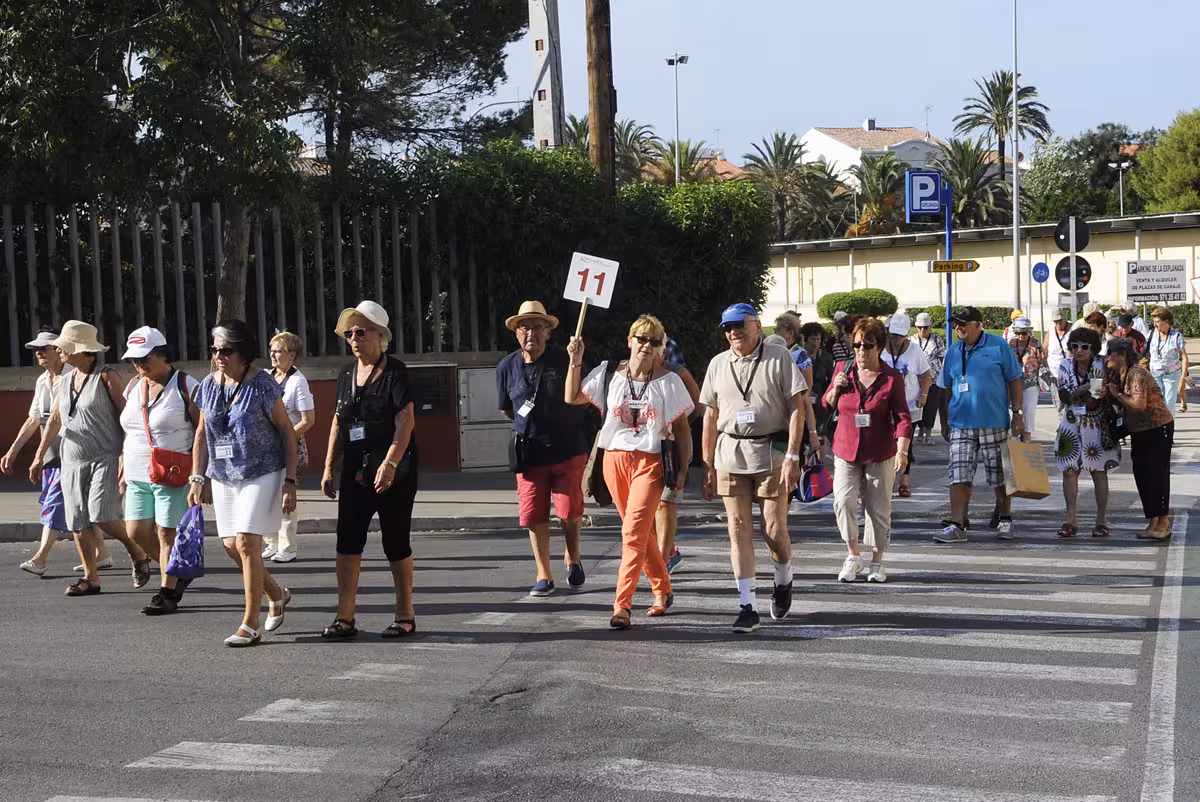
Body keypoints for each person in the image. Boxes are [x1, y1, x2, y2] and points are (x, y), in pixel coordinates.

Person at [700, 302, 820, 633]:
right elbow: (710, 416)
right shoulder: (717, 364)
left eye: (739, 324)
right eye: (726, 327)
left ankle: (783, 578)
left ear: (757, 325)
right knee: (737, 527)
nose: (733, 331)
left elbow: (797, 406)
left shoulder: (779, 357)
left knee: (772, 530)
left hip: (771, 450)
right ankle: (746, 605)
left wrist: (795, 455)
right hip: (730, 451)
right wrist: (707, 464)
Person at [566, 315, 693, 629]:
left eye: (654, 341)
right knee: (640, 533)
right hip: (614, 461)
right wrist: (575, 361)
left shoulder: (669, 381)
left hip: (650, 462)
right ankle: (662, 588)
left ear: (661, 347)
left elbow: (682, 429)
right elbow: (572, 397)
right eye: (641, 338)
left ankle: (621, 606)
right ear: (630, 340)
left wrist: (683, 469)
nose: (646, 346)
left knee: (633, 533)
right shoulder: (610, 373)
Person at [188, 320, 296, 646]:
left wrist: (290, 480)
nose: (219, 356)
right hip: (223, 476)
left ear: (244, 352)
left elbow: (289, 433)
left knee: (248, 541)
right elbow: (201, 435)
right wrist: (197, 477)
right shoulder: (208, 385)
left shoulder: (262, 385)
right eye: (215, 350)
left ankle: (250, 622)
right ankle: (276, 593)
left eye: (226, 350)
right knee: (232, 546)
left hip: (263, 471)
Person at [29, 321, 156, 595]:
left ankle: (137, 551)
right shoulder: (63, 381)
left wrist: (126, 453)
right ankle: (91, 578)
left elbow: (127, 417)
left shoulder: (106, 376)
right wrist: (39, 455)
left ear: (83, 351)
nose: (60, 351)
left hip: (105, 456)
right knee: (78, 521)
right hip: (71, 460)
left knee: (102, 515)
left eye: (65, 346)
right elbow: (54, 422)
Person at [320, 301, 419, 639]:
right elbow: (337, 420)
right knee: (347, 542)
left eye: (360, 332)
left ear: (380, 336)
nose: (354, 339)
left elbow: (405, 421)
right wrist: (328, 466)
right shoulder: (346, 374)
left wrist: (391, 462)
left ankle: (405, 615)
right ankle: (345, 617)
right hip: (355, 469)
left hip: (393, 469)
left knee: (395, 540)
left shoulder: (396, 372)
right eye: (349, 333)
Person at [496, 301, 589, 597]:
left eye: (538, 326)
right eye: (524, 326)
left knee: (568, 512)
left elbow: (584, 396)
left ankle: (573, 558)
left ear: (548, 332)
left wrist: (576, 361)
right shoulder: (506, 367)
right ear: (516, 333)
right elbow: (506, 409)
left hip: (567, 450)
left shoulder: (565, 361)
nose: (530, 332)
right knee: (534, 515)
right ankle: (544, 574)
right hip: (529, 455)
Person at [119, 326, 202, 615]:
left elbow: (203, 431)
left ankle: (167, 593)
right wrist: (122, 460)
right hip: (136, 471)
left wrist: (201, 475)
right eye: (134, 359)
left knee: (167, 534)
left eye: (145, 358)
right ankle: (179, 570)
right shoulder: (132, 387)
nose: (139, 365)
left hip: (173, 471)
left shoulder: (186, 385)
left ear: (162, 355)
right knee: (136, 531)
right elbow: (131, 430)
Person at [823, 317, 912, 583]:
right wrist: (835, 389)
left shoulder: (891, 378)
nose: (861, 350)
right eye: (857, 344)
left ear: (879, 347)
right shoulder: (842, 369)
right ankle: (853, 556)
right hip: (846, 448)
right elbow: (827, 405)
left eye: (868, 345)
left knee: (878, 507)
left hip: (880, 450)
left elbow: (903, 417)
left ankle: (877, 561)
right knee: (843, 501)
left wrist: (902, 451)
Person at [3, 329, 96, 575]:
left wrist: (36, 456)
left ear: (58, 350)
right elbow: (34, 419)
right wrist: (13, 450)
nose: (38, 353)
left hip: (74, 450)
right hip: (51, 452)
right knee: (81, 506)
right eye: (36, 350)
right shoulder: (43, 381)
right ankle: (106, 554)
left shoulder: (72, 377)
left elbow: (58, 419)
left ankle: (41, 558)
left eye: (43, 349)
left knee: (55, 502)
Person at [932, 307, 1024, 543]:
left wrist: (1018, 413)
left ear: (978, 325)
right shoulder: (953, 351)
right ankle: (957, 524)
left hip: (994, 421)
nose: (958, 328)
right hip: (961, 424)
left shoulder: (998, 346)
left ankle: (1005, 518)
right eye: (955, 324)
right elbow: (944, 388)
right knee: (959, 475)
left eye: (963, 323)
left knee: (999, 477)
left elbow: (1014, 379)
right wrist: (944, 421)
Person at [1105, 337, 1174, 540]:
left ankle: (1164, 523)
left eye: (1111, 353)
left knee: (1157, 475)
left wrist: (1116, 394)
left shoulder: (1136, 374)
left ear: (1123, 355)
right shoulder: (1121, 374)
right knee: (1143, 475)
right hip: (1140, 430)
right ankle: (1153, 521)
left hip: (1157, 427)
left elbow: (1138, 405)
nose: (1107, 357)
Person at [1053, 327, 1120, 538]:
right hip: (1072, 421)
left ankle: (1101, 520)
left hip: (1098, 423)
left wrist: (1106, 391)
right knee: (1069, 470)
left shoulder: (1104, 364)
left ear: (1094, 348)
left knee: (1098, 471)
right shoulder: (1065, 365)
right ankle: (1070, 519)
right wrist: (1083, 391)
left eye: (1084, 346)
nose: (1079, 350)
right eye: (1075, 346)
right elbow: (1064, 396)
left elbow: (1115, 390)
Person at [262, 331, 316, 563]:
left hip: (288, 446)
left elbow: (308, 419)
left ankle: (287, 546)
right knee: (265, 495)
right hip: (265, 446)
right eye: (271, 350)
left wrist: (287, 437)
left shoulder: (298, 381)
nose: (273, 355)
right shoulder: (267, 376)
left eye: (279, 351)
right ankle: (271, 542)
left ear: (292, 354)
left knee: (285, 495)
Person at [654, 335, 703, 574]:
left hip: (672, 446)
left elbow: (697, 404)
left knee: (665, 504)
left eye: (656, 344)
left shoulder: (678, 373)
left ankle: (663, 561)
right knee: (648, 507)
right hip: (644, 447)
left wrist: (680, 425)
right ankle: (668, 548)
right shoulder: (630, 371)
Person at [881, 313, 930, 498]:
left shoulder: (915, 350)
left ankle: (904, 481)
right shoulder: (881, 349)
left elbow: (926, 374)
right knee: (886, 442)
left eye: (900, 336)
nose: (896, 339)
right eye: (893, 335)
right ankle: (887, 480)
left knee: (905, 444)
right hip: (885, 404)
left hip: (909, 404)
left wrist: (923, 394)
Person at [1008, 317, 1045, 443]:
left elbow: (1042, 361)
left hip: (1030, 381)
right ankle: (1014, 438)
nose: (1020, 336)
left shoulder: (1036, 343)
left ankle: (1026, 439)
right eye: (1017, 333)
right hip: (1014, 382)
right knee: (1014, 410)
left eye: (1023, 333)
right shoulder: (1011, 343)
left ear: (1029, 331)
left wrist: (1033, 362)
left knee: (1028, 411)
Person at [911, 313, 946, 446]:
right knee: (918, 407)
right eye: (920, 327)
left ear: (930, 327)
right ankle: (920, 432)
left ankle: (928, 434)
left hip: (933, 379)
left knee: (931, 407)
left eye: (925, 327)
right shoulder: (911, 340)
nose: (922, 330)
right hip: (916, 380)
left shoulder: (937, 340)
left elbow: (942, 359)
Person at [1147, 307, 1190, 413]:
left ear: (1166, 321)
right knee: (1157, 405)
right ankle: (1160, 429)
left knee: (1169, 405)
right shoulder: (1152, 334)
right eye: (1154, 322)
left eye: (1158, 322)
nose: (1155, 325)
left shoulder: (1176, 336)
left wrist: (1183, 379)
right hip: (1154, 375)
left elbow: (1184, 359)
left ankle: (1169, 428)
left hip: (1171, 376)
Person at [1043, 308, 1070, 393]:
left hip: (1069, 371)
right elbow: (1044, 349)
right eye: (1055, 321)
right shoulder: (1051, 331)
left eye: (1060, 320)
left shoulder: (1073, 329)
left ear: (1065, 319)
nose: (1058, 323)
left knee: (1070, 397)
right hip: (1053, 372)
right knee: (1058, 399)